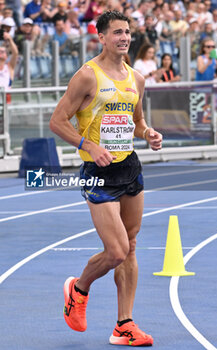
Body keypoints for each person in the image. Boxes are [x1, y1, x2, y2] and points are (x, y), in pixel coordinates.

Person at [50, 10, 162, 347]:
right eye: (116, 32)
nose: (124, 38)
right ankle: (79, 288)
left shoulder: (136, 79)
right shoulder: (88, 76)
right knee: (116, 251)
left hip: (129, 167)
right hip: (98, 172)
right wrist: (88, 145)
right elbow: (57, 121)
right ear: (100, 37)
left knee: (131, 246)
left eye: (127, 32)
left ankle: (124, 325)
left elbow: (137, 121)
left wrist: (148, 133)